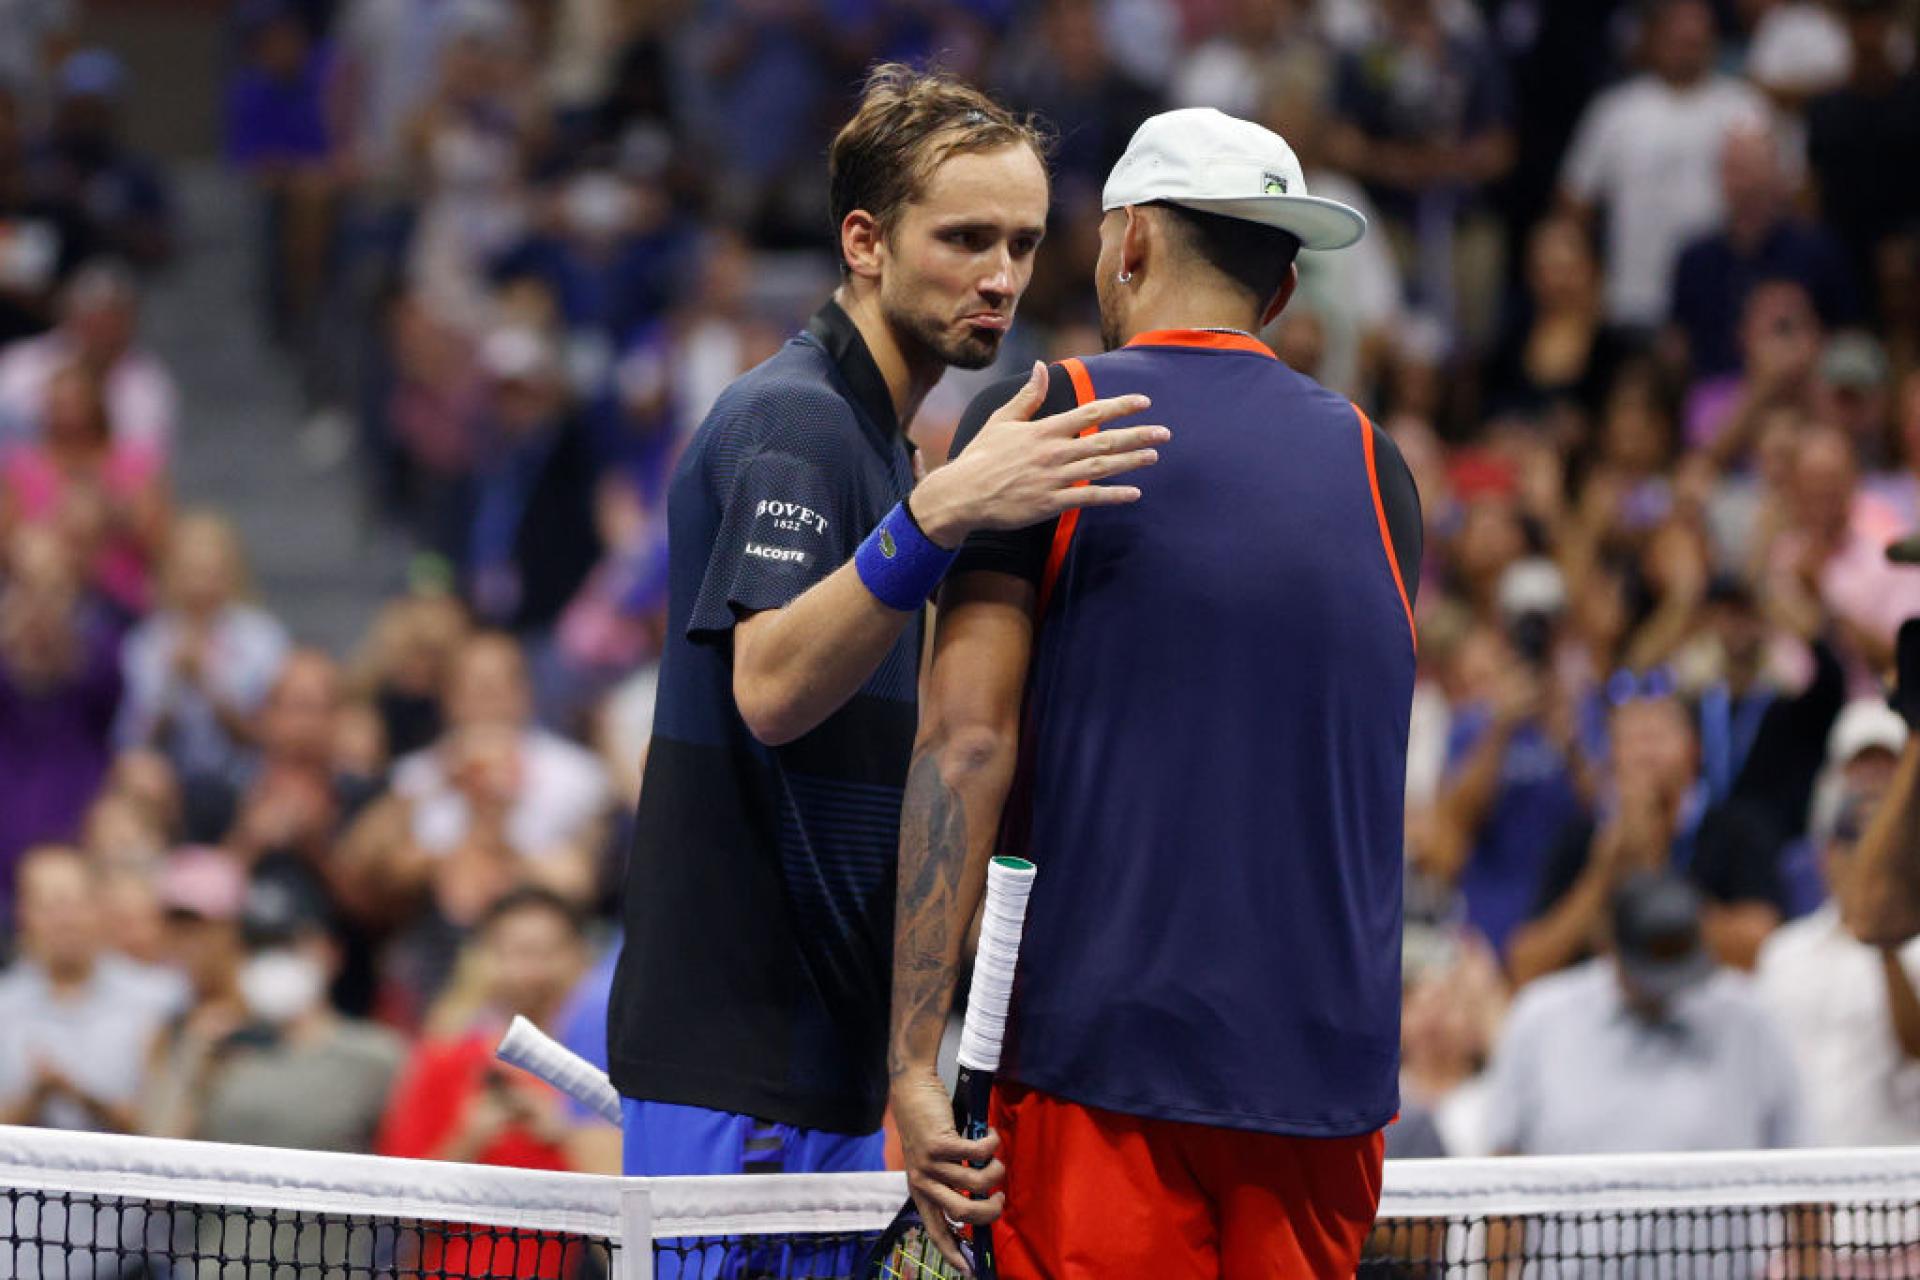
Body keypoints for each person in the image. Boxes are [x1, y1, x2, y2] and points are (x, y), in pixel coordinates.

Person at [607, 65, 1166, 1180]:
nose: (1000, 276)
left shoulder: (875, 442)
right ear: (864, 241)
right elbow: (768, 690)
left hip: (811, 1063)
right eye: (964, 239)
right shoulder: (798, 421)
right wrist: (944, 511)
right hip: (741, 1064)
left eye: (1018, 243)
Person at [889, 107, 1419, 1278]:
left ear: (1125, 245)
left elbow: (966, 744)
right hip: (1326, 1094)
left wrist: (911, 1063)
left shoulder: (1045, 416)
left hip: (1102, 1069)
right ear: (1278, 293)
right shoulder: (1381, 467)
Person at [1487, 872, 1800, 1155]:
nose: (1664, 991)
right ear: (1610, 947)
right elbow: (1500, 1166)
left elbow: (1802, 1173)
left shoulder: (1750, 1018)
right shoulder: (1541, 1017)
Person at [1508, 679, 1787, 983]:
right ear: (1610, 759)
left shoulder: (1738, 827)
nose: (1645, 754)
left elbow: (1762, 949)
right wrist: (1603, 873)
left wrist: (1654, 863)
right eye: (1631, 739)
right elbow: (1527, 965)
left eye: (1657, 737)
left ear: (1694, 749)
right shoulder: (1581, 837)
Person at [1759, 701, 1920, 1145]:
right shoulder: (1783, 953)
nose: (1868, 857)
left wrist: (1884, 934)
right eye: (1855, 841)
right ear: (1827, 854)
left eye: (1880, 843)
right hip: (1802, 1196)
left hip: (1899, 1199)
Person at [1558, 0, 1769, 334]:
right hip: (1632, 297)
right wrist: (1589, 277)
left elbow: (1777, 198)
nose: (1687, 44)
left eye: (1696, 37)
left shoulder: (1744, 107)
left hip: (1723, 299)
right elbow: (1574, 202)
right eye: (1677, 35)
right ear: (1653, 38)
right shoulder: (1615, 111)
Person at [376, 886, 598, 1170]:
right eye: (519, 952)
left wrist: (571, 1133)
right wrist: (471, 1137)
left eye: (548, 951)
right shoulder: (443, 1060)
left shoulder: (607, 1065)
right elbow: (398, 1193)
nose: (533, 970)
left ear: (580, 956)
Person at [0, 845, 182, 1131]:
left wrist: (84, 1097)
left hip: (125, 1171)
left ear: (100, 906)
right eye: (48, 906)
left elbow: (168, 1126)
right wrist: (35, 1098)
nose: (65, 920)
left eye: (75, 903)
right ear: (23, 914)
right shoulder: (4, 1005)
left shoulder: (159, 997)